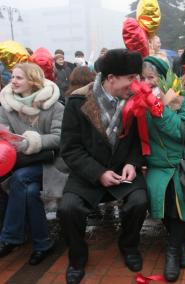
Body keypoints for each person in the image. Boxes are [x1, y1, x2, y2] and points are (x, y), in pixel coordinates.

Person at [58, 49, 148, 284]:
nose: (136, 84)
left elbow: (139, 142)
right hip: (89, 172)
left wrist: (132, 163)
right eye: (131, 78)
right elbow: (70, 148)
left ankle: (129, 246)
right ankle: (77, 258)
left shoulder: (134, 101)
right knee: (68, 209)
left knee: (139, 201)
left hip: (122, 169)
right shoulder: (78, 101)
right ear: (111, 78)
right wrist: (98, 173)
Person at [140, 55, 185, 282]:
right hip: (158, 165)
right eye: (143, 78)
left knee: (177, 189)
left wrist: (160, 111)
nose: (147, 82)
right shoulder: (139, 102)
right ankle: (180, 243)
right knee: (161, 192)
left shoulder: (182, 98)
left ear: (163, 79)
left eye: (151, 77)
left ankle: (172, 249)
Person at [0, 63, 66, 265]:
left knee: (21, 179)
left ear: (33, 80)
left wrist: (32, 142)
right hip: (21, 162)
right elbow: (4, 137)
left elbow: (59, 138)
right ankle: (42, 243)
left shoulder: (55, 106)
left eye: (19, 77)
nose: (13, 81)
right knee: (28, 190)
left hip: (52, 162)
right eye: (12, 77)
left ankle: (10, 237)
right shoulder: (6, 107)